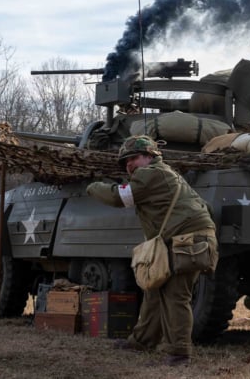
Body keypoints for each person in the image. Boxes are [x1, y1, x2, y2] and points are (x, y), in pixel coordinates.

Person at [86, 135, 218, 367]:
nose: (129, 164)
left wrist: (92, 185)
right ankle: (142, 341)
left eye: (133, 158)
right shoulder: (169, 174)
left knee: (176, 296)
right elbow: (205, 207)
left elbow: (120, 197)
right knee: (154, 290)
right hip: (187, 240)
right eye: (125, 161)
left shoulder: (151, 174)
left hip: (186, 242)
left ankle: (179, 353)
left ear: (150, 156)